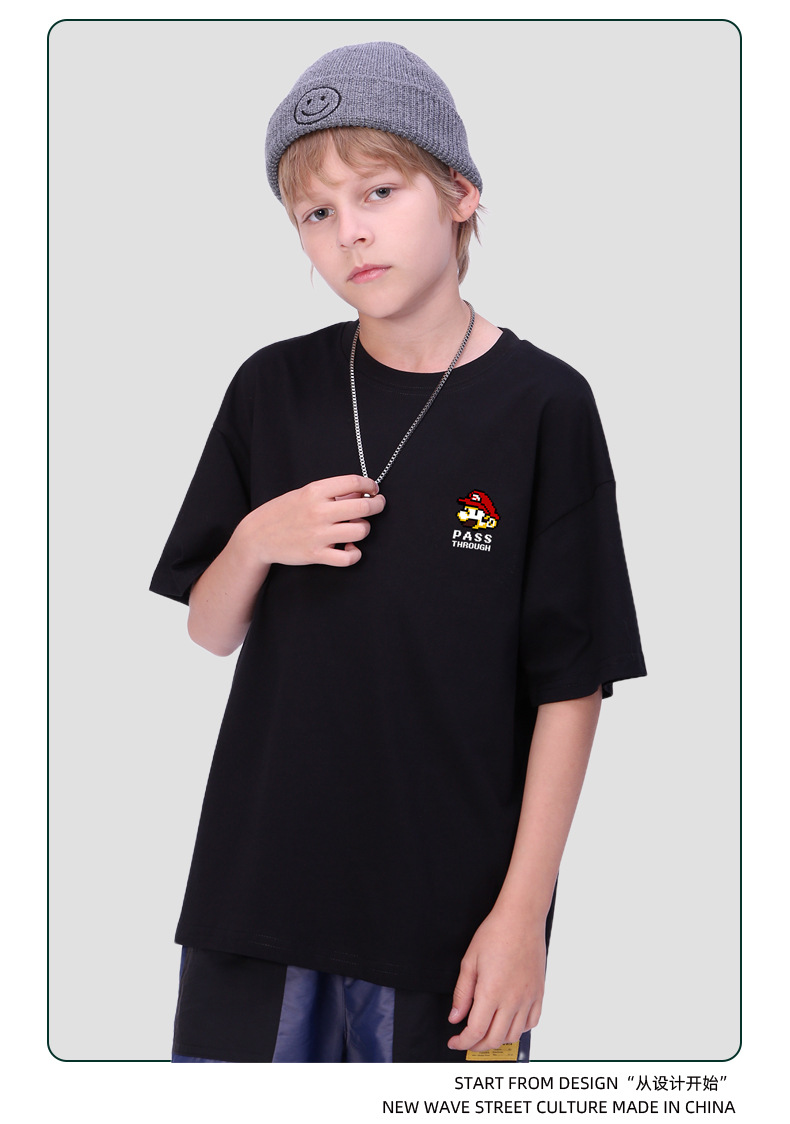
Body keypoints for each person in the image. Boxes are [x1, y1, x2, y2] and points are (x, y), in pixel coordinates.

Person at [150, 41, 646, 1064]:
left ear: (460, 193)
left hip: (449, 924)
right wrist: (258, 537)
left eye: (378, 191)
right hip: (257, 900)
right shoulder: (271, 387)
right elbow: (209, 628)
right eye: (315, 213)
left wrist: (522, 918)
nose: (350, 232)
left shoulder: (544, 405)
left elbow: (572, 683)